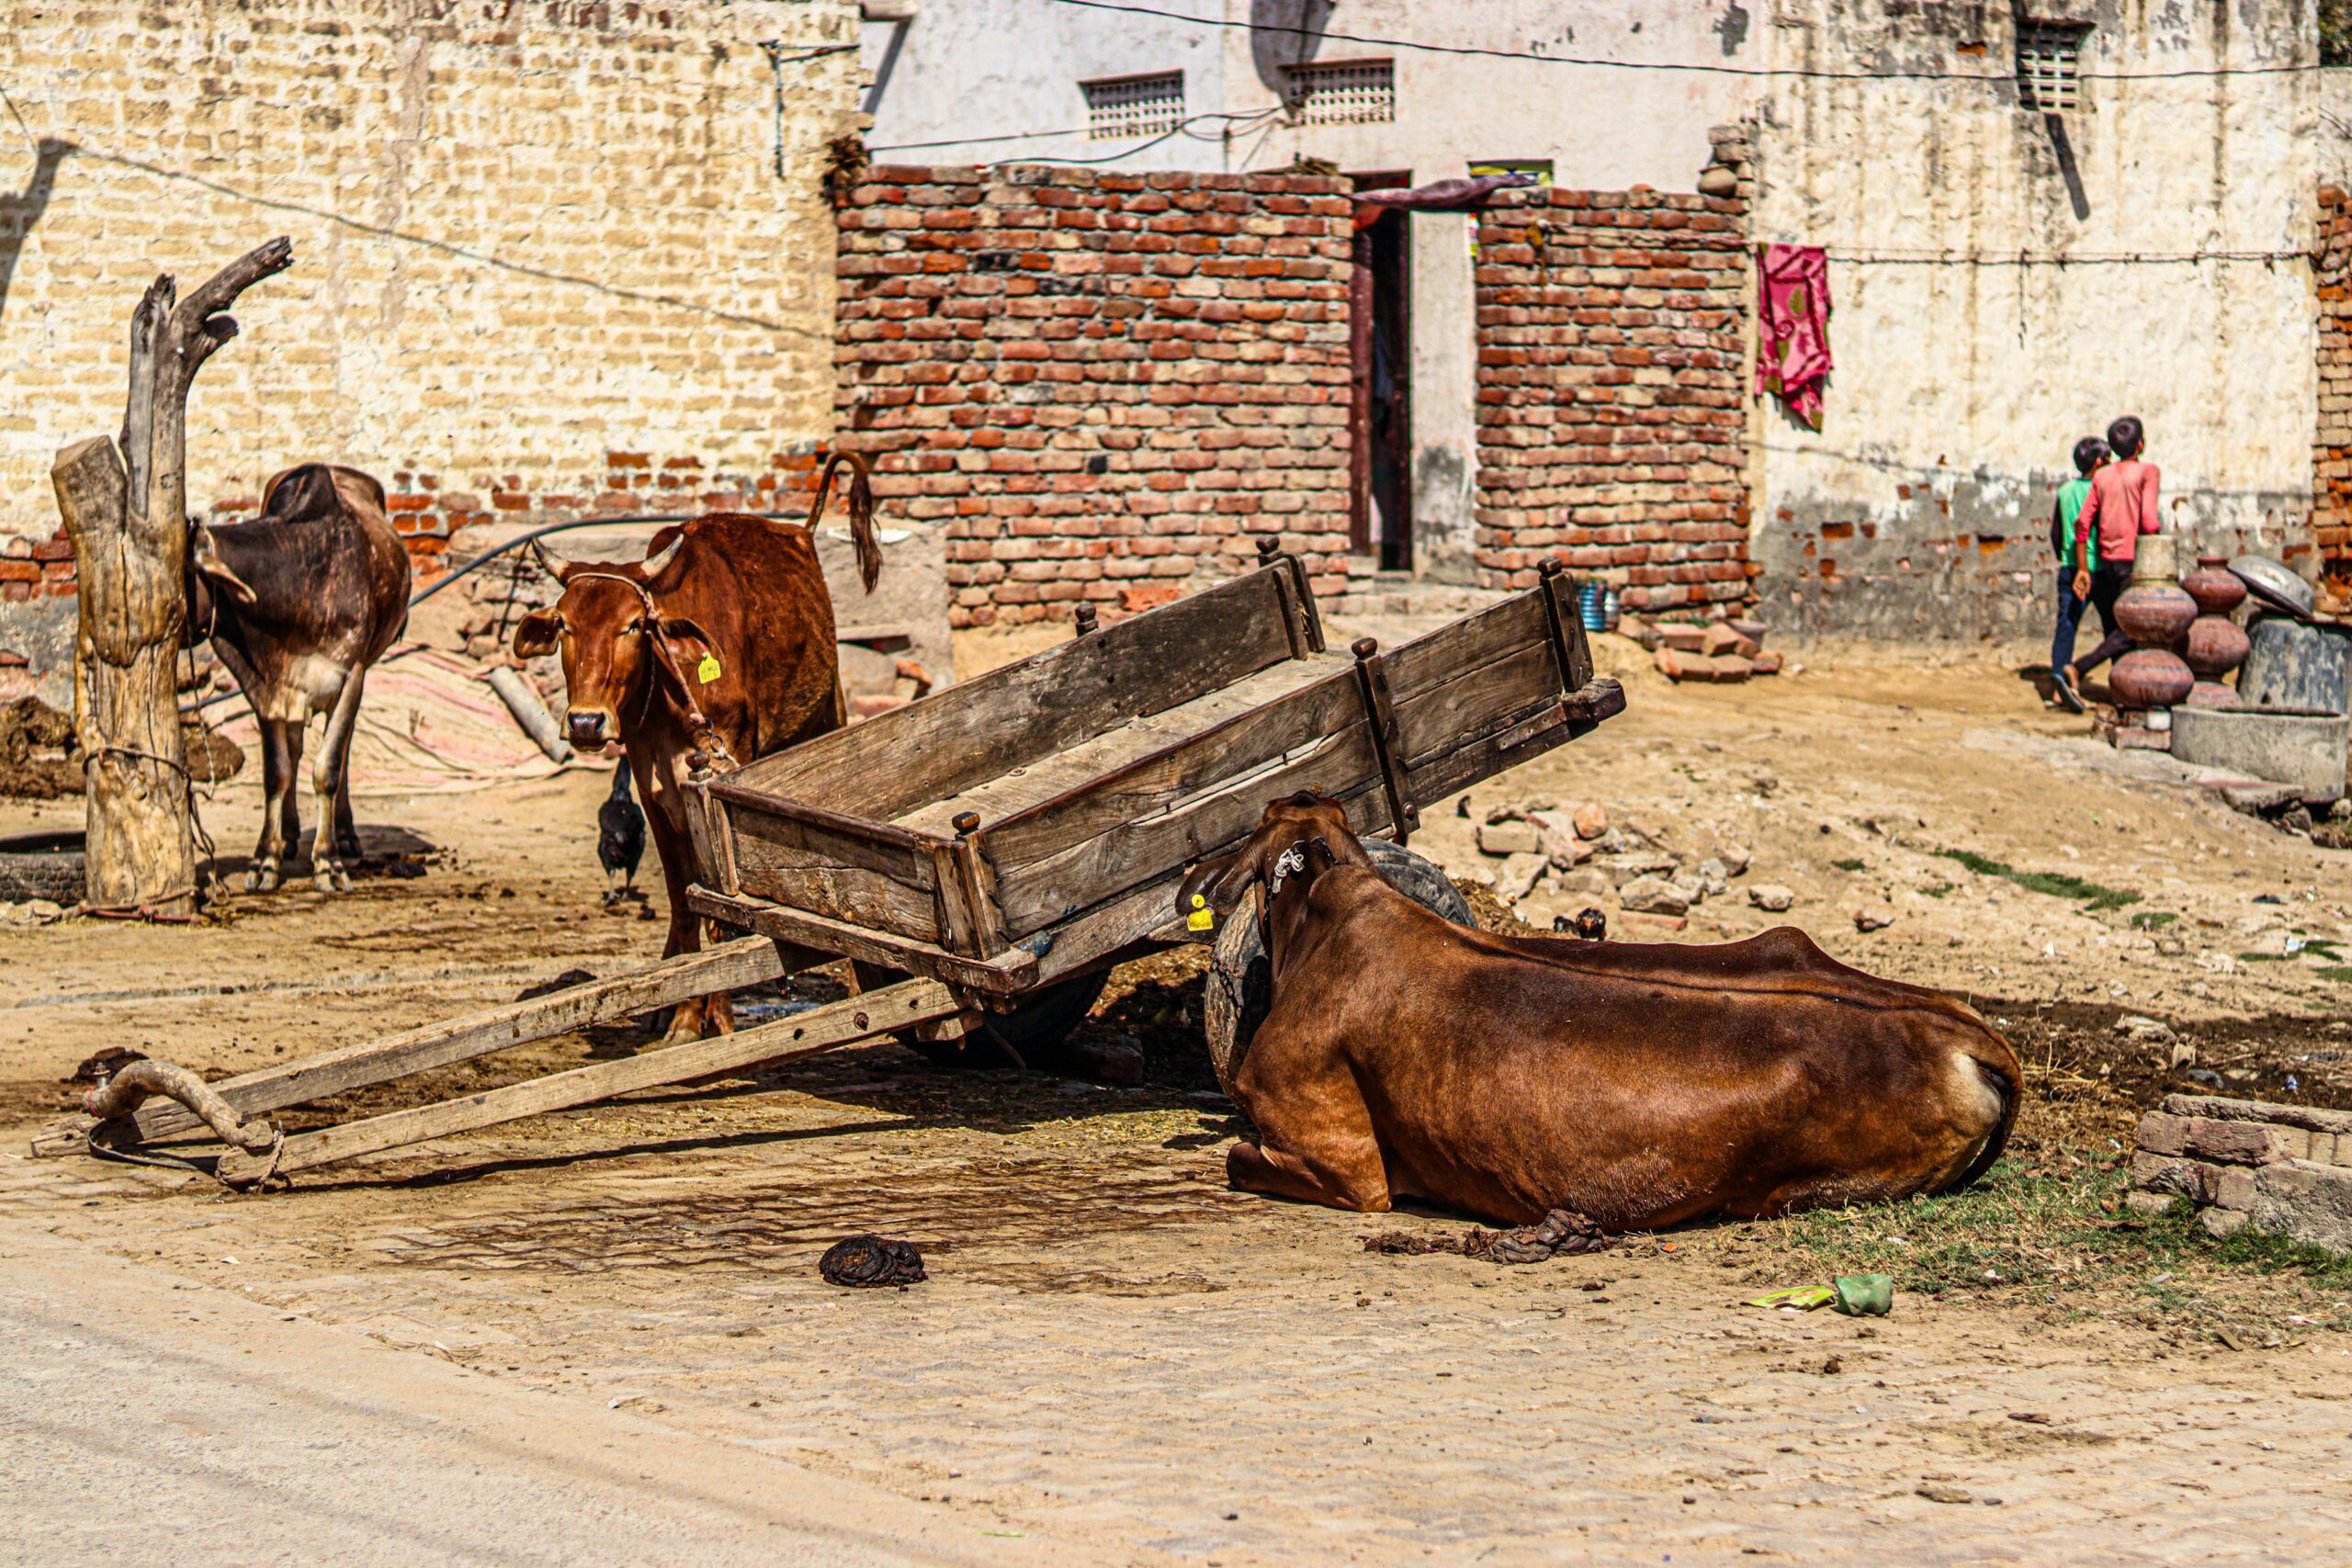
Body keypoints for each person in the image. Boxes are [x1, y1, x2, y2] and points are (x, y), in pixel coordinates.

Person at [2055, 415, 2161, 710]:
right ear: (2140, 445)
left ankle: (2123, 689)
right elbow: (2151, 524)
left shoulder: (2102, 477)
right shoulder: (2148, 472)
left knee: (2120, 625)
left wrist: (2084, 568)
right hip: (2134, 561)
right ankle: (2080, 667)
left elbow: (2082, 523)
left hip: (2108, 563)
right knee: (2135, 628)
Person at [2045, 434, 2107, 711]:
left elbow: (2056, 532)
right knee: (2116, 630)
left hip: (2071, 568)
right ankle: (2123, 682)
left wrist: (2065, 557)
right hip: (2101, 570)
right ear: (2098, 462)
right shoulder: (2102, 488)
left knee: (2066, 626)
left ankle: (2060, 685)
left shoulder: (2066, 491)